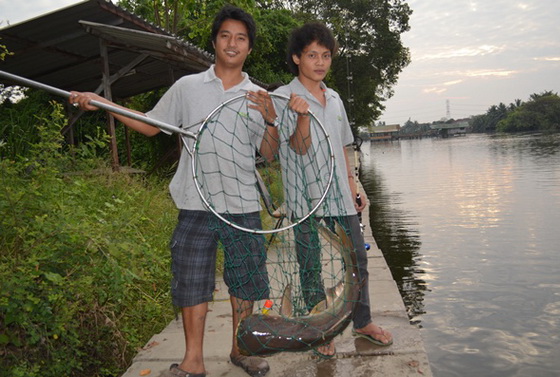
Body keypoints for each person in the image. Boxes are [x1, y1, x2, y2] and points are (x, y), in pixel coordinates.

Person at [70, 6, 278, 377]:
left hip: (242, 204)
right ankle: (193, 361)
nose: (232, 43)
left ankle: (240, 349)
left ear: (249, 48)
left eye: (241, 38)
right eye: (226, 35)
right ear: (215, 41)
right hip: (195, 203)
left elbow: (269, 152)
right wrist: (100, 101)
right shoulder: (187, 87)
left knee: (245, 282)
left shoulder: (259, 95)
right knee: (191, 282)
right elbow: (150, 126)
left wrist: (271, 119)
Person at [273, 22, 393, 358]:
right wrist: (301, 118)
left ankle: (363, 322)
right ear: (297, 58)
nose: (320, 62)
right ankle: (320, 330)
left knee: (358, 262)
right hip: (305, 201)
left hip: (340, 197)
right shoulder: (284, 97)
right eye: (312, 55)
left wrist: (354, 188)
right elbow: (296, 148)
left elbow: (344, 148)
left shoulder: (335, 98)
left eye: (325, 55)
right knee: (310, 267)